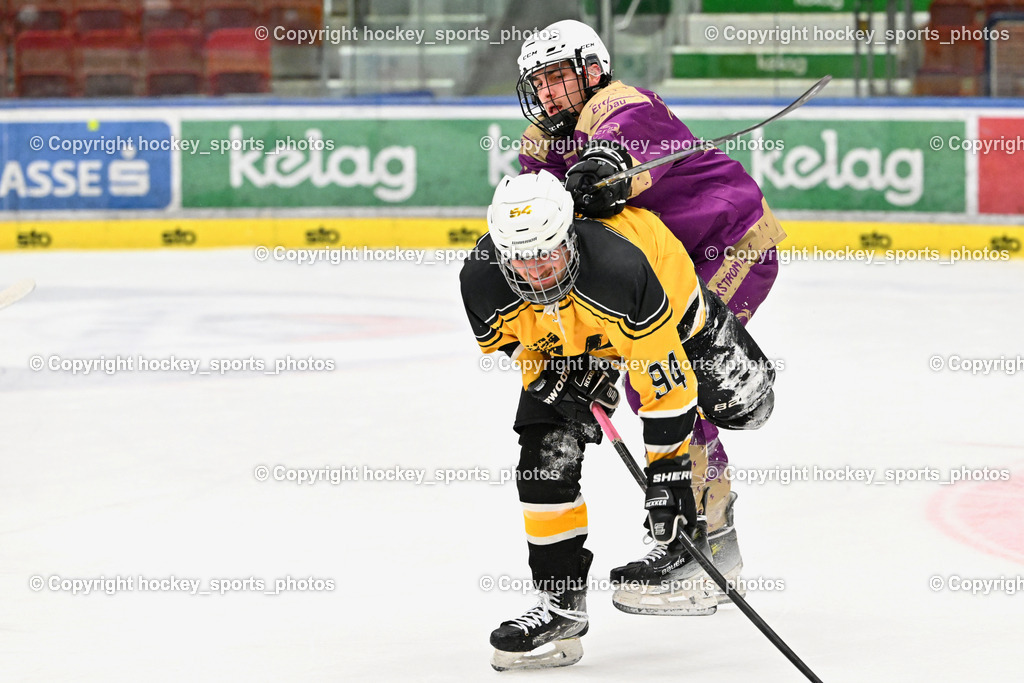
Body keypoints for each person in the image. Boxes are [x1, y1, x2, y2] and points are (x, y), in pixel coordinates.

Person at [460, 171, 775, 671]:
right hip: (570, 344)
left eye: (548, 252)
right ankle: (560, 605)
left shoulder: (620, 268)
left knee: (747, 407)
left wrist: (666, 477)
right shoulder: (481, 281)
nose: (537, 270)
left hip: (668, 310)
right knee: (542, 465)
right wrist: (549, 382)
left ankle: (700, 528)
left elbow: (663, 384)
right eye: (521, 258)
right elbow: (516, 346)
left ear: (568, 236)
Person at [513, 19, 787, 594]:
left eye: (558, 78)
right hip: (661, 267)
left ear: (593, 71)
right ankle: (711, 541)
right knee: (653, 375)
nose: (547, 93)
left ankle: (705, 538)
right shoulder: (540, 142)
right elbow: (552, 227)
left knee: (667, 374)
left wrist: (605, 172)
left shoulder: (622, 103)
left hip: (727, 245)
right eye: (538, 83)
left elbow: (624, 151)